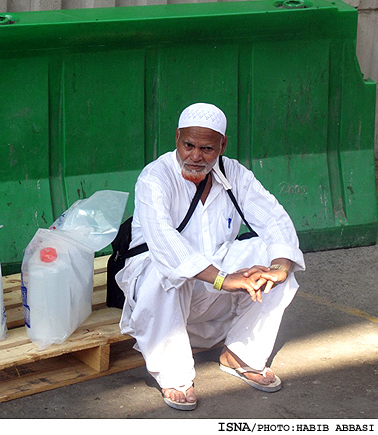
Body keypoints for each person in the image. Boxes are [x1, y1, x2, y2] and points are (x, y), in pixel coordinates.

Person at [115, 102, 305, 411]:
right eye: (188, 145)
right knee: (162, 269)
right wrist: (223, 278)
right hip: (164, 297)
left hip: (214, 290)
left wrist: (279, 267)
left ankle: (241, 355)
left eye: (206, 148)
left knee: (273, 257)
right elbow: (164, 241)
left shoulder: (234, 174)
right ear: (177, 138)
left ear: (222, 145)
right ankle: (174, 375)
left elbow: (273, 220)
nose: (195, 156)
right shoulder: (155, 177)